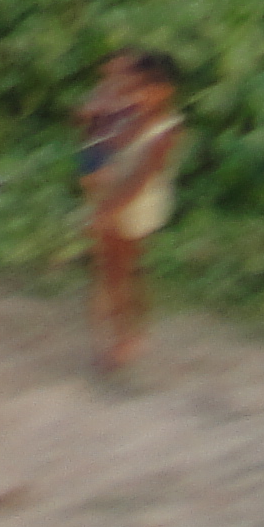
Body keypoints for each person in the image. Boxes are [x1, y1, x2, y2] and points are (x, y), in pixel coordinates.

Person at [79, 48, 186, 378]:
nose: (136, 94)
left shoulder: (166, 132)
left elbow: (139, 181)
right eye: (134, 86)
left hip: (136, 205)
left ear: (165, 90)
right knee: (116, 269)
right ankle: (127, 333)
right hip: (115, 198)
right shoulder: (129, 115)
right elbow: (101, 142)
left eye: (144, 88)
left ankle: (126, 339)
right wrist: (97, 122)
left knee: (121, 271)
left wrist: (105, 212)